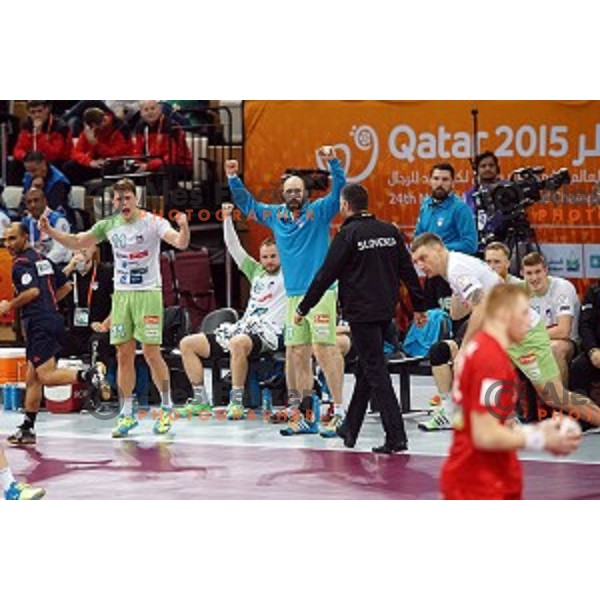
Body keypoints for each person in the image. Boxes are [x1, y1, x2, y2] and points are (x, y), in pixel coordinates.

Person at [38, 178, 190, 438]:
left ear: (136, 199)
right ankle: (127, 413)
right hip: (122, 296)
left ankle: (166, 409)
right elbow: (77, 241)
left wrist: (184, 228)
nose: (122, 203)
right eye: (117, 199)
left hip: (148, 294)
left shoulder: (153, 222)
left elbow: (180, 242)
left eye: (127, 198)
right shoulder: (108, 225)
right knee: (123, 354)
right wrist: (50, 231)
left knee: (152, 354)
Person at [412, 233, 600, 431]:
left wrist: (465, 347)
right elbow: (458, 313)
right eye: (416, 261)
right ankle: (491, 418)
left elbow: (481, 306)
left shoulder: (458, 268)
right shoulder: (454, 269)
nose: (421, 265)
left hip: (525, 335)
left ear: (438, 249)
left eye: (424, 258)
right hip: (506, 334)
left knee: (554, 396)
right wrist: (458, 292)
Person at [295, 183, 427, 453]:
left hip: (362, 314)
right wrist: (420, 307)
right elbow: (409, 272)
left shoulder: (348, 234)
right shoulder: (390, 231)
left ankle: (396, 437)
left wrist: (303, 308)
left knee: (376, 372)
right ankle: (350, 428)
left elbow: (325, 275)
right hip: (385, 312)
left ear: (345, 206)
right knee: (368, 368)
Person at [226, 146, 347, 438]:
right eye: (289, 191)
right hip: (294, 297)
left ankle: (340, 412)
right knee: (296, 352)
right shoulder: (275, 216)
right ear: (283, 194)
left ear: (306, 194)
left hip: (320, 293)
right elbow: (247, 204)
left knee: (324, 348)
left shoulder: (319, 212)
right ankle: (306, 414)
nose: (293, 195)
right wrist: (233, 178)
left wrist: (332, 162)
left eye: (298, 190)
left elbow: (340, 188)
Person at [440, 284, 581, 500]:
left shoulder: (481, 349)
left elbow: (495, 420)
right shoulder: (491, 360)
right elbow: (485, 434)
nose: (531, 322)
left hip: (483, 474)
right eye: (523, 313)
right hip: (481, 482)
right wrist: (541, 437)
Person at [0, 223, 109, 446]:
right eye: (5, 240)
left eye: (13, 238)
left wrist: (8, 305)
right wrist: (48, 306)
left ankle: (89, 375)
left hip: (39, 325)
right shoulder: (43, 259)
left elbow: (32, 291)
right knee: (32, 378)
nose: (8, 244)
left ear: (25, 237)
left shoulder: (20, 264)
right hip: (53, 320)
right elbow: (66, 286)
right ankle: (27, 428)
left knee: (46, 377)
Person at [178, 203, 286, 420]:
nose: (268, 261)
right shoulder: (255, 271)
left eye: (273, 256)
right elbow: (234, 247)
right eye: (265, 257)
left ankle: (236, 402)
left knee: (238, 342)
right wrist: (227, 219)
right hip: (244, 328)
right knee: (187, 344)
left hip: (271, 333)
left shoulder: (292, 274)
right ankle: (201, 400)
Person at [414, 163, 478, 330]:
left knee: (453, 322)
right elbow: (418, 236)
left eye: (445, 179)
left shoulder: (460, 209)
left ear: (452, 183)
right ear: (429, 181)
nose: (440, 183)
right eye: (436, 178)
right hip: (431, 274)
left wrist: (437, 250)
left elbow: (470, 244)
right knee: (432, 320)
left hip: (453, 275)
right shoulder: (426, 205)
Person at [521, 252, 580, 385]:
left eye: (538, 272)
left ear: (546, 271)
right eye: (529, 273)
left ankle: (561, 402)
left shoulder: (562, 288)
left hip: (567, 342)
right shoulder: (520, 292)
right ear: (522, 274)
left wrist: (529, 337)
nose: (534, 277)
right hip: (537, 340)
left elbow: (563, 331)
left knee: (554, 349)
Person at [60, 247, 114, 371]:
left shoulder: (106, 272)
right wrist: (69, 267)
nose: (80, 254)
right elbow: (51, 291)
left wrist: (105, 324)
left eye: (84, 250)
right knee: (51, 342)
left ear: (93, 249)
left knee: (98, 343)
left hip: (98, 328)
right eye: (77, 250)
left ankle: (98, 384)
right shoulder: (68, 274)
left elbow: (119, 303)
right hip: (75, 330)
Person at [62, 107, 133, 185]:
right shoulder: (90, 129)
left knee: (110, 168)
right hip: (95, 163)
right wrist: (90, 162)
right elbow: (76, 153)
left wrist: (96, 144)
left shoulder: (120, 129)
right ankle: (80, 192)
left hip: (113, 164)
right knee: (69, 167)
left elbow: (116, 154)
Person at [133, 100, 192, 192]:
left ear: (160, 110)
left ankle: (162, 203)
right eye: (146, 109)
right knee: (130, 171)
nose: (150, 112)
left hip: (179, 165)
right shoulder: (140, 127)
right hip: (153, 165)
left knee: (162, 171)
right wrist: (139, 164)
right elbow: (138, 151)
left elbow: (173, 156)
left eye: (153, 108)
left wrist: (149, 165)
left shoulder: (171, 126)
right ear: (141, 113)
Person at [8, 101, 72, 185]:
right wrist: (26, 156)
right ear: (28, 113)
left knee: (47, 164)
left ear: (47, 110)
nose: (37, 115)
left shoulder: (60, 127)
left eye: (39, 111)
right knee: (15, 164)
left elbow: (53, 154)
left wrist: (39, 135)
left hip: (56, 161)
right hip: (34, 159)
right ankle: (14, 192)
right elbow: (18, 149)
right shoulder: (26, 125)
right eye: (33, 112)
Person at [21, 187, 71, 267]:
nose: (33, 205)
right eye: (29, 202)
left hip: (58, 265)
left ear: (45, 201)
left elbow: (60, 250)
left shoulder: (58, 220)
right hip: (35, 265)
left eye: (36, 200)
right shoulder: (25, 222)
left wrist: (41, 265)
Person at [464, 151, 504, 250]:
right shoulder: (469, 195)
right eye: (483, 166)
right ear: (477, 170)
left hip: (504, 243)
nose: (487, 169)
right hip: (478, 245)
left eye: (491, 165)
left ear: (497, 169)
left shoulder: (506, 190)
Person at [569, 282, 600, 407]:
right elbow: (585, 325)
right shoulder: (594, 291)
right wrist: (593, 350)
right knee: (578, 367)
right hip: (597, 350)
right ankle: (585, 420)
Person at [22, 151, 71, 216]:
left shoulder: (58, 181)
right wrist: (32, 189)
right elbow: (23, 203)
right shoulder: (28, 177)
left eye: (34, 170)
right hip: (32, 215)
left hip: (56, 217)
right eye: (28, 171)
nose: (31, 175)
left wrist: (37, 191)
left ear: (43, 164)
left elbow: (54, 206)